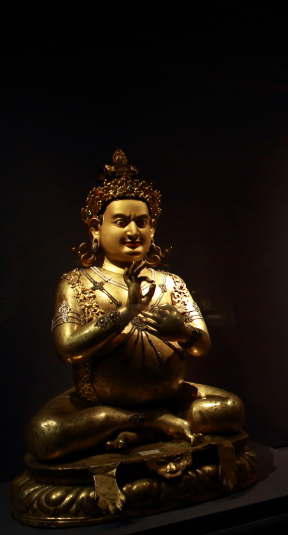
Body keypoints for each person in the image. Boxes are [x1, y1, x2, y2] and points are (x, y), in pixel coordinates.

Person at [27, 150, 244, 463]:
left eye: (142, 223)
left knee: (230, 409)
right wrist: (124, 313)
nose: (133, 232)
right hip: (100, 405)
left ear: (152, 229)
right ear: (95, 227)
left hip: (170, 396)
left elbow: (202, 345)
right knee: (46, 434)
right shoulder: (76, 282)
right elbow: (67, 349)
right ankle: (146, 422)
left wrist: (182, 332)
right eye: (121, 222)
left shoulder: (171, 282)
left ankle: (143, 428)